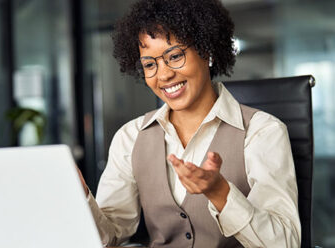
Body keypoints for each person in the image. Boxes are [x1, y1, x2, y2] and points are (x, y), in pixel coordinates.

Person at [78, 0, 301, 247]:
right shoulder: (130, 137)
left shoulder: (262, 132)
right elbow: (111, 237)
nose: (163, 75)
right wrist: (80, 196)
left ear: (207, 51)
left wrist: (220, 193)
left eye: (174, 56)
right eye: (150, 64)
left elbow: (285, 242)